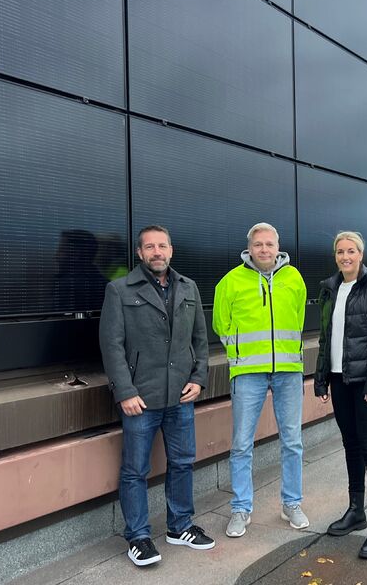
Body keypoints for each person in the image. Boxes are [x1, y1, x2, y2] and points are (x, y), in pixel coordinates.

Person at [99, 225, 215, 567]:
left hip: (180, 395)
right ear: (139, 253)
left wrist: (199, 378)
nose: (156, 252)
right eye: (149, 247)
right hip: (141, 400)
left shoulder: (188, 287)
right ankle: (138, 536)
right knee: (135, 470)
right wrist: (125, 391)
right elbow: (112, 346)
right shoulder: (119, 289)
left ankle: (180, 526)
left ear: (171, 250)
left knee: (182, 462)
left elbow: (200, 341)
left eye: (161, 246)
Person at [212, 223, 309, 537]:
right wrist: (239, 352)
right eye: (258, 244)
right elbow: (220, 323)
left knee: (292, 441)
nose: (264, 249)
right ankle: (241, 509)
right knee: (242, 444)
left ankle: (291, 504)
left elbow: (298, 319)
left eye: (269, 244)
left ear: (277, 246)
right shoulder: (231, 281)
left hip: (288, 370)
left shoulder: (294, 278)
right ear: (249, 248)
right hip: (247, 373)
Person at [314, 231, 367, 559]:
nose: (345, 256)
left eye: (351, 251)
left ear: (361, 254)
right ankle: (355, 510)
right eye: (340, 251)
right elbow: (325, 338)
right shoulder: (330, 288)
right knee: (350, 445)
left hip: (365, 382)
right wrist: (321, 379)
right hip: (339, 378)